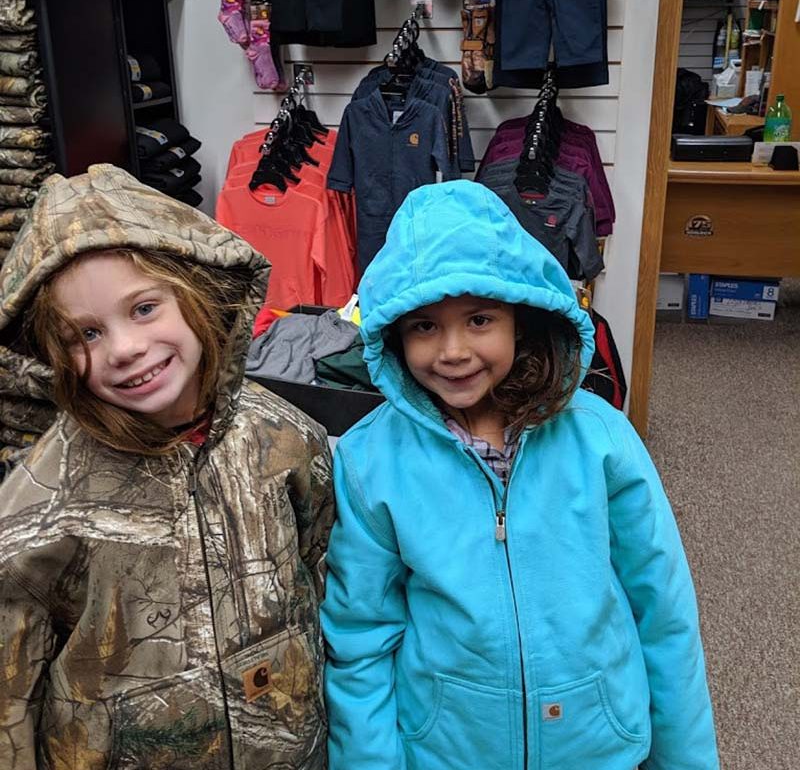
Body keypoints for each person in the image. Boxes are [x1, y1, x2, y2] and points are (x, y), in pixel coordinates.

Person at [321, 179, 719, 770]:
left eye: (479, 319)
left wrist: (686, 759)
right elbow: (361, 640)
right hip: (450, 750)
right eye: (424, 326)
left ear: (521, 318)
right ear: (393, 336)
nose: (453, 350)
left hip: (597, 742)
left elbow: (662, 607)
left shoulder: (600, 437)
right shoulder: (368, 461)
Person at [0, 164, 333, 770]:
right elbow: (10, 695)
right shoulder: (39, 503)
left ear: (196, 296)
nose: (124, 348)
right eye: (85, 334)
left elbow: (318, 569)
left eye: (145, 308)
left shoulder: (285, 437)